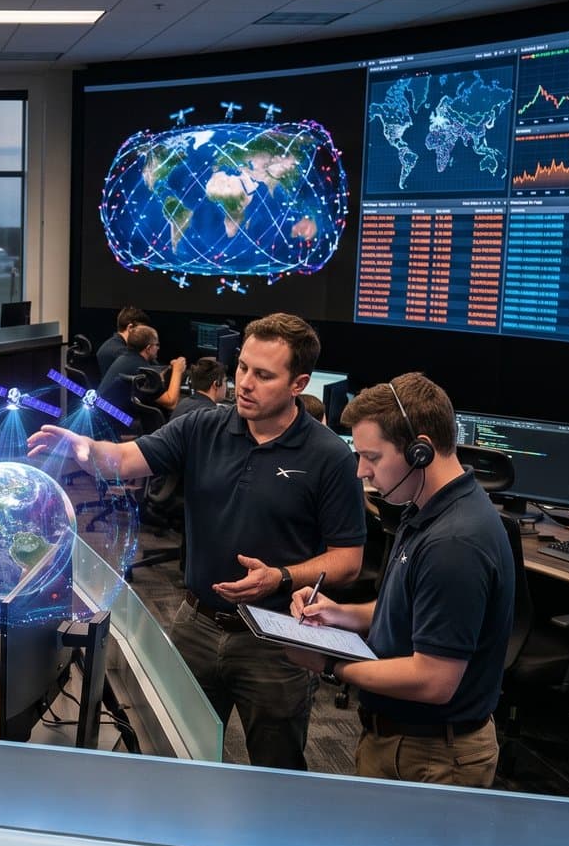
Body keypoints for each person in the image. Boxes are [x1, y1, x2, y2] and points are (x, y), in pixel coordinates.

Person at [28, 313, 366, 771]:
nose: (245, 383)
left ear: (297, 383)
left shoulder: (328, 456)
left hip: (274, 639)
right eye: (243, 368)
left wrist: (280, 578)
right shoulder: (203, 427)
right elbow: (127, 458)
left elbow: (347, 560)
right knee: (179, 756)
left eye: (264, 375)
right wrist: (87, 450)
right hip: (196, 624)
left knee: (276, 768)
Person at [286, 373, 515, 787]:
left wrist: (332, 666)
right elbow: (410, 608)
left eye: (371, 457)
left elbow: (433, 681)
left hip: (431, 757)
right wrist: (341, 615)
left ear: (420, 452)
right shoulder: (424, 509)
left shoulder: (455, 543)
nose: (360, 471)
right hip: (404, 743)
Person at [97, 324, 183, 418]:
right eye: (157, 345)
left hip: (101, 415)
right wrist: (177, 370)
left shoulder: (123, 358)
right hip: (114, 422)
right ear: (148, 348)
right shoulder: (143, 371)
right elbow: (171, 403)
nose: (158, 348)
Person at [95, 305, 148, 381]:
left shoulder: (113, 343)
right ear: (130, 328)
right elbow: (149, 372)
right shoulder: (122, 352)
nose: (145, 335)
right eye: (142, 330)